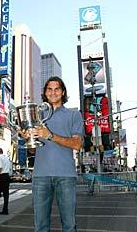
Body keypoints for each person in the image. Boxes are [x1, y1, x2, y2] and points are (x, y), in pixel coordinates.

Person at [19, 76, 84, 232]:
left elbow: (77, 145)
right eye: (49, 89)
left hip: (66, 175)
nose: (53, 92)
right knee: (40, 226)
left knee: (69, 226)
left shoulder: (74, 115)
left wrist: (50, 135)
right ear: (45, 92)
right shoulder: (36, 115)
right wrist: (28, 138)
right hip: (40, 175)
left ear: (62, 92)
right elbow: (34, 150)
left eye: (57, 89)